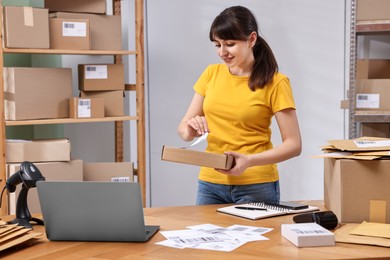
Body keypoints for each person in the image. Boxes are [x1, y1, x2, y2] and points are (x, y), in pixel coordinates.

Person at [177, 5, 302, 205]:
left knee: (256, 238)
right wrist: (191, 129)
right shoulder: (211, 74)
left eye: (230, 44)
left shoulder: (276, 82)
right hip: (211, 184)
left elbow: (294, 145)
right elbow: (183, 128)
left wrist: (248, 161)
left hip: (256, 184)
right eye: (217, 45)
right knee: (207, 237)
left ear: (251, 39)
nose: (222, 52)